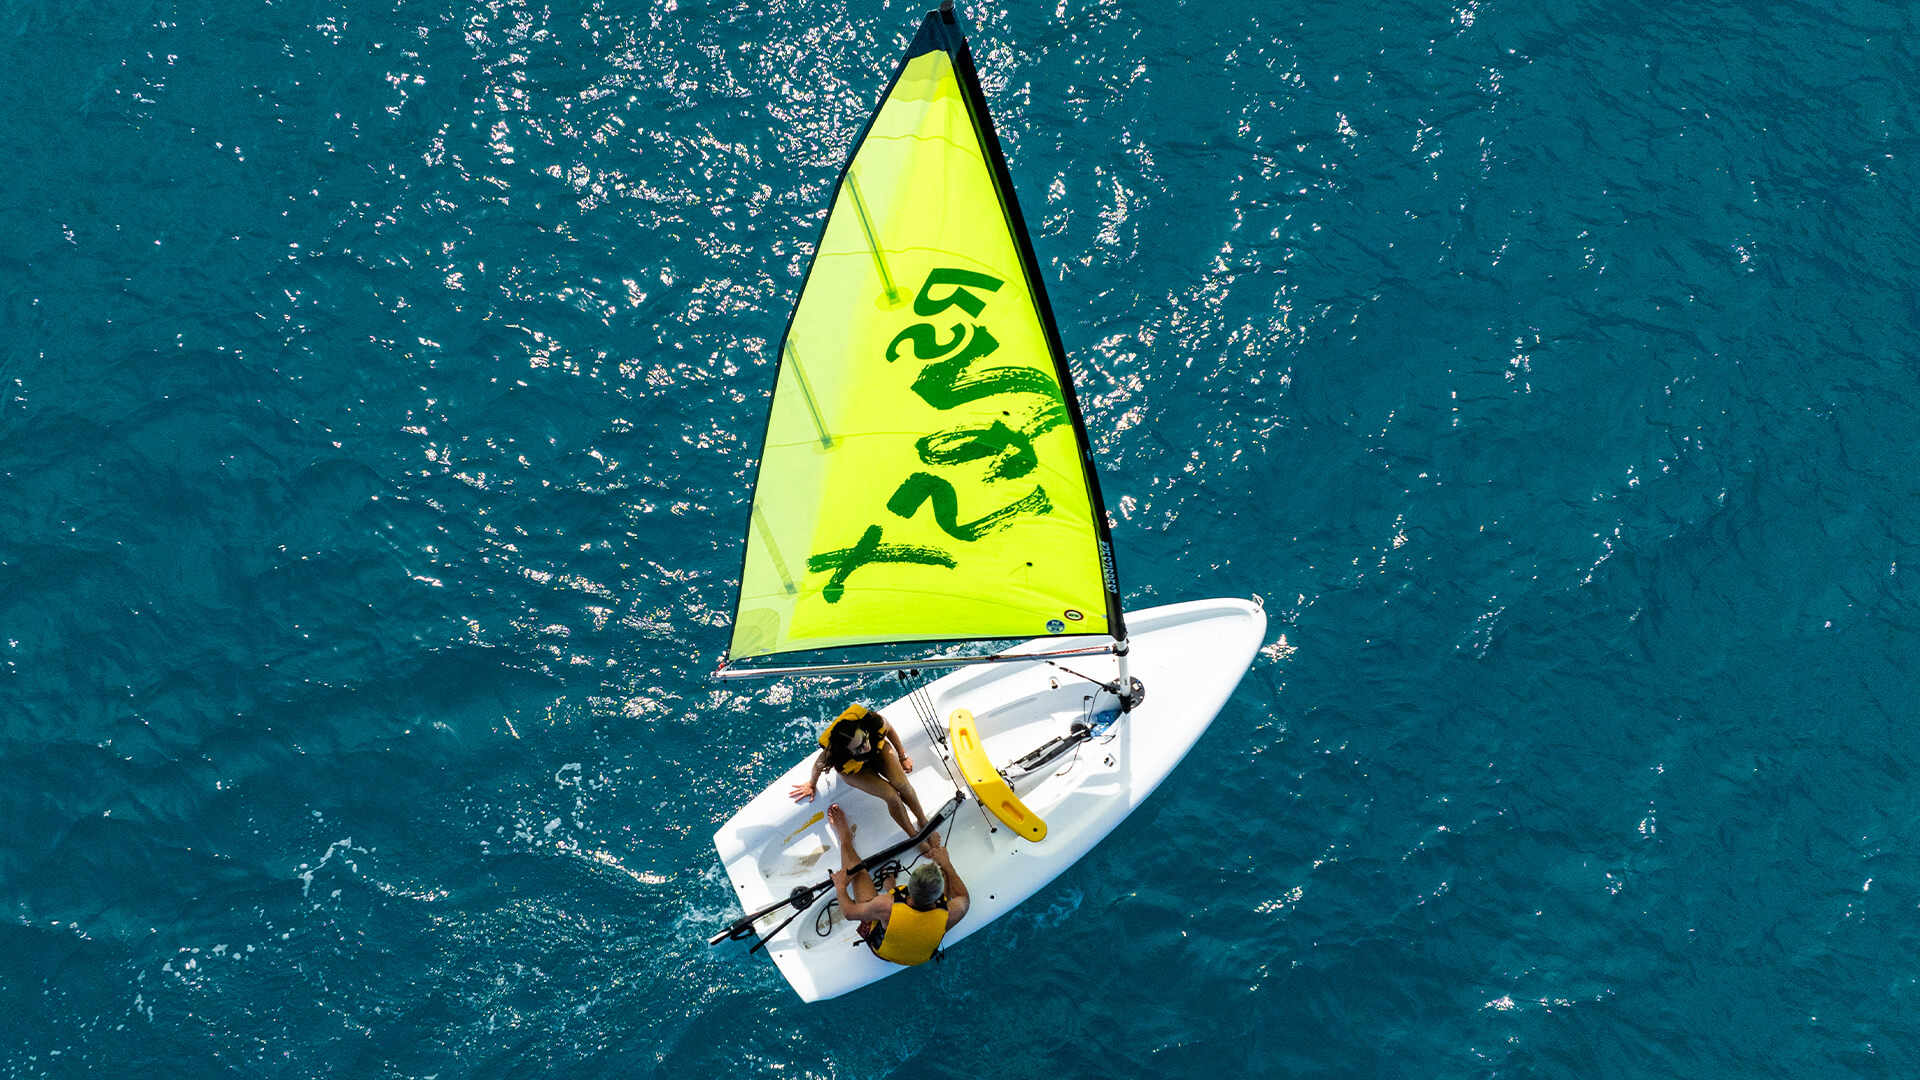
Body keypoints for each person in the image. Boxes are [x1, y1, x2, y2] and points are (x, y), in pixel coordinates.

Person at [827, 803, 969, 966]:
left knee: (858, 873)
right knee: (937, 910)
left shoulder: (886, 905)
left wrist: (840, 886)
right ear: (939, 895)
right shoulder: (953, 912)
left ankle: (844, 839)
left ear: (909, 886)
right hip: (919, 957)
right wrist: (946, 865)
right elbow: (963, 897)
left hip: (885, 952)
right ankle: (894, 886)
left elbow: (849, 913)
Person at [790, 704, 929, 837]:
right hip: (856, 770)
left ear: (864, 730)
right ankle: (914, 836)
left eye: (864, 740)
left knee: (903, 784)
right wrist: (811, 784)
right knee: (892, 796)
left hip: (879, 752)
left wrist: (902, 755)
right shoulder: (833, 753)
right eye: (858, 748)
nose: (865, 747)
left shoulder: (873, 723)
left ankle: (923, 822)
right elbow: (817, 767)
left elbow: (889, 729)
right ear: (846, 752)